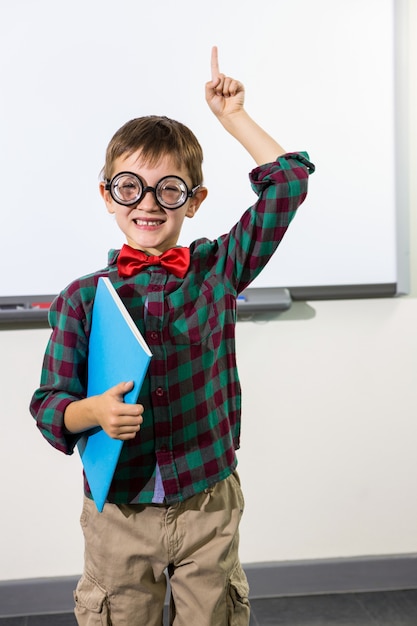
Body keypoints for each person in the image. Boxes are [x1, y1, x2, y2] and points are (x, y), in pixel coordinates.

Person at [30, 46, 314, 626]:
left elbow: (287, 186)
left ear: (195, 200)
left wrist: (233, 118)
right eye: (131, 187)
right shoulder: (83, 297)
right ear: (108, 194)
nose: (150, 204)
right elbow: (49, 407)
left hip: (207, 497)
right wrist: (93, 412)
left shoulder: (217, 269)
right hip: (120, 512)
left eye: (170, 189)